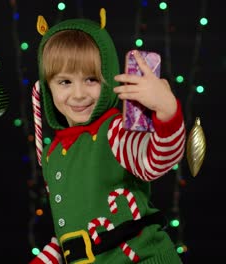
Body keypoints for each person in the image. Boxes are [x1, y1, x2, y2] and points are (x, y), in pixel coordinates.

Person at [29, 13, 186, 264]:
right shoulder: (53, 154)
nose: (78, 94)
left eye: (91, 79)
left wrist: (167, 112)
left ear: (109, 77)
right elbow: (71, 233)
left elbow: (155, 160)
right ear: (48, 87)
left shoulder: (115, 131)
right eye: (65, 82)